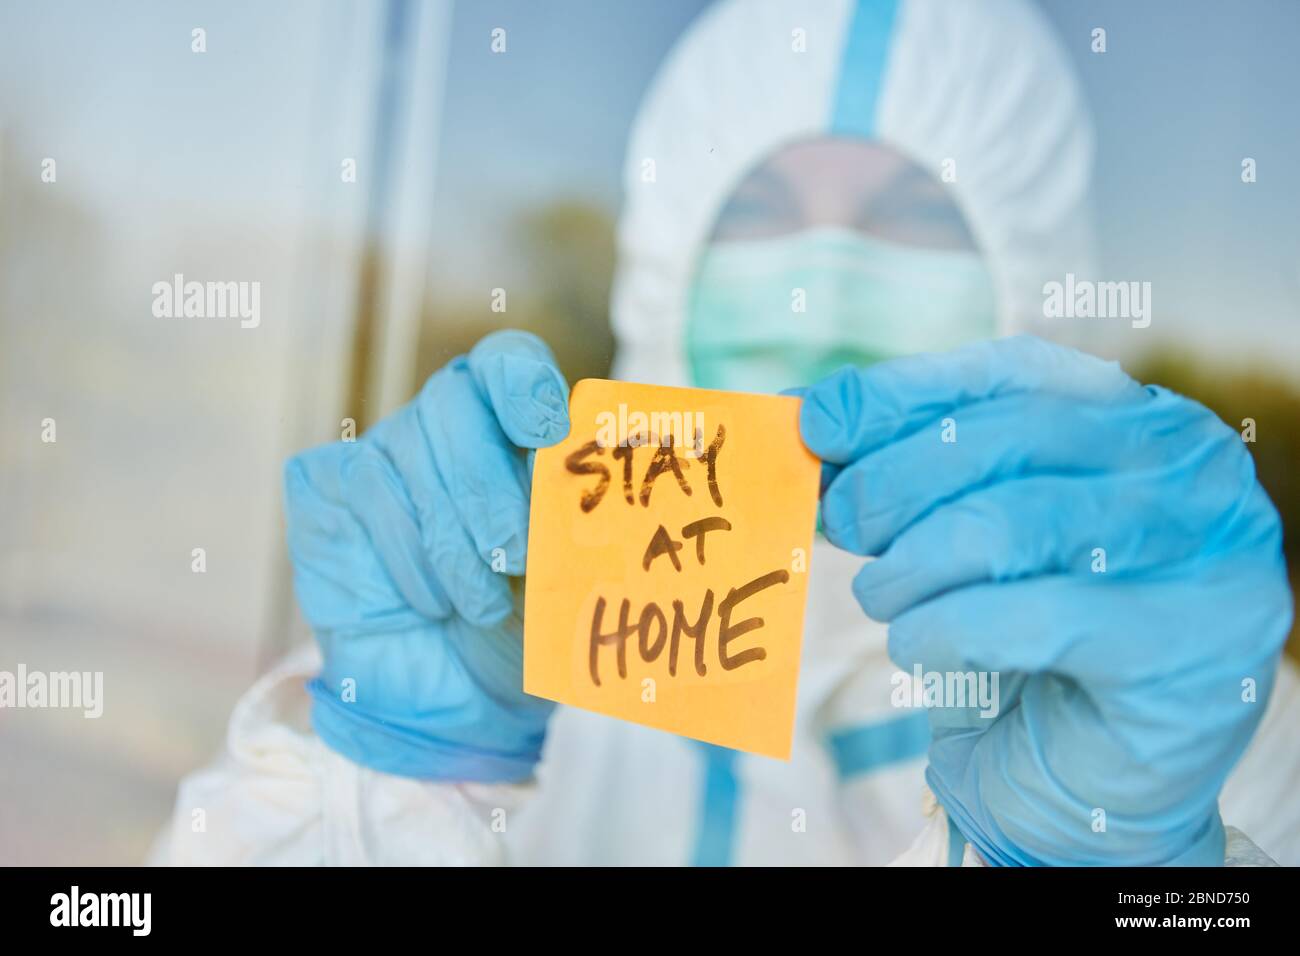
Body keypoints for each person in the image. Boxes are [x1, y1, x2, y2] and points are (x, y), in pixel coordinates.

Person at [155, 0, 1298, 866]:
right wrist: (387, 773)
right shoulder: (512, 637)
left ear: (1035, 284)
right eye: (757, 212)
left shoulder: (1195, 718)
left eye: (910, 217)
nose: (819, 279)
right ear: (663, 264)